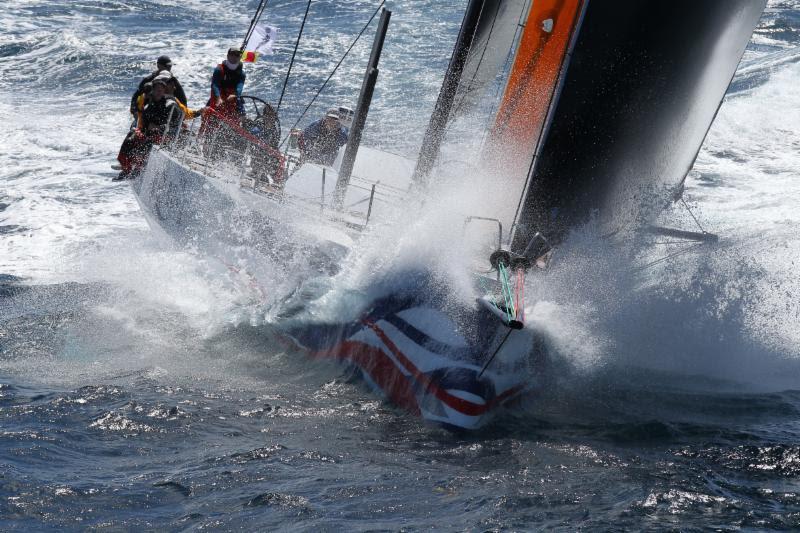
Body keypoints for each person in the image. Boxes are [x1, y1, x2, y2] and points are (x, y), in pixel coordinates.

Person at [115, 76, 183, 180]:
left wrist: (159, 128)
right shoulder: (149, 106)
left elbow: (176, 124)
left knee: (148, 141)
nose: (159, 92)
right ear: (153, 90)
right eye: (157, 90)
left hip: (166, 136)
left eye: (161, 90)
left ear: (164, 91)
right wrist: (137, 133)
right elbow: (145, 125)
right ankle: (126, 167)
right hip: (151, 134)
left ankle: (138, 169)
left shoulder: (170, 105)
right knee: (131, 137)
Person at [129, 55, 187, 122]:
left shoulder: (172, 81)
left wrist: (183, 117)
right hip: (148, 110)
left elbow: (182, 99)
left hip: (166, 111)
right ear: (158, 66)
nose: (169, 68)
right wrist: (134, 110)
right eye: (167, 66)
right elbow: (136, 95)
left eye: (170, 66)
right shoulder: (148, 79)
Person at [207, 47, 246, 120]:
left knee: (242, 116)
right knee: (208, 114)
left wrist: (235, 94)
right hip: (218, 94)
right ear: (228, 56)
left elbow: (240, 87)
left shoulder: (242, 74)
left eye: (237, 55)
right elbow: (214, 85)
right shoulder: (219, 69)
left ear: (240, 57)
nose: (234, 57)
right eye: (232, 54)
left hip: (232, 96)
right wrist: (218, 98)